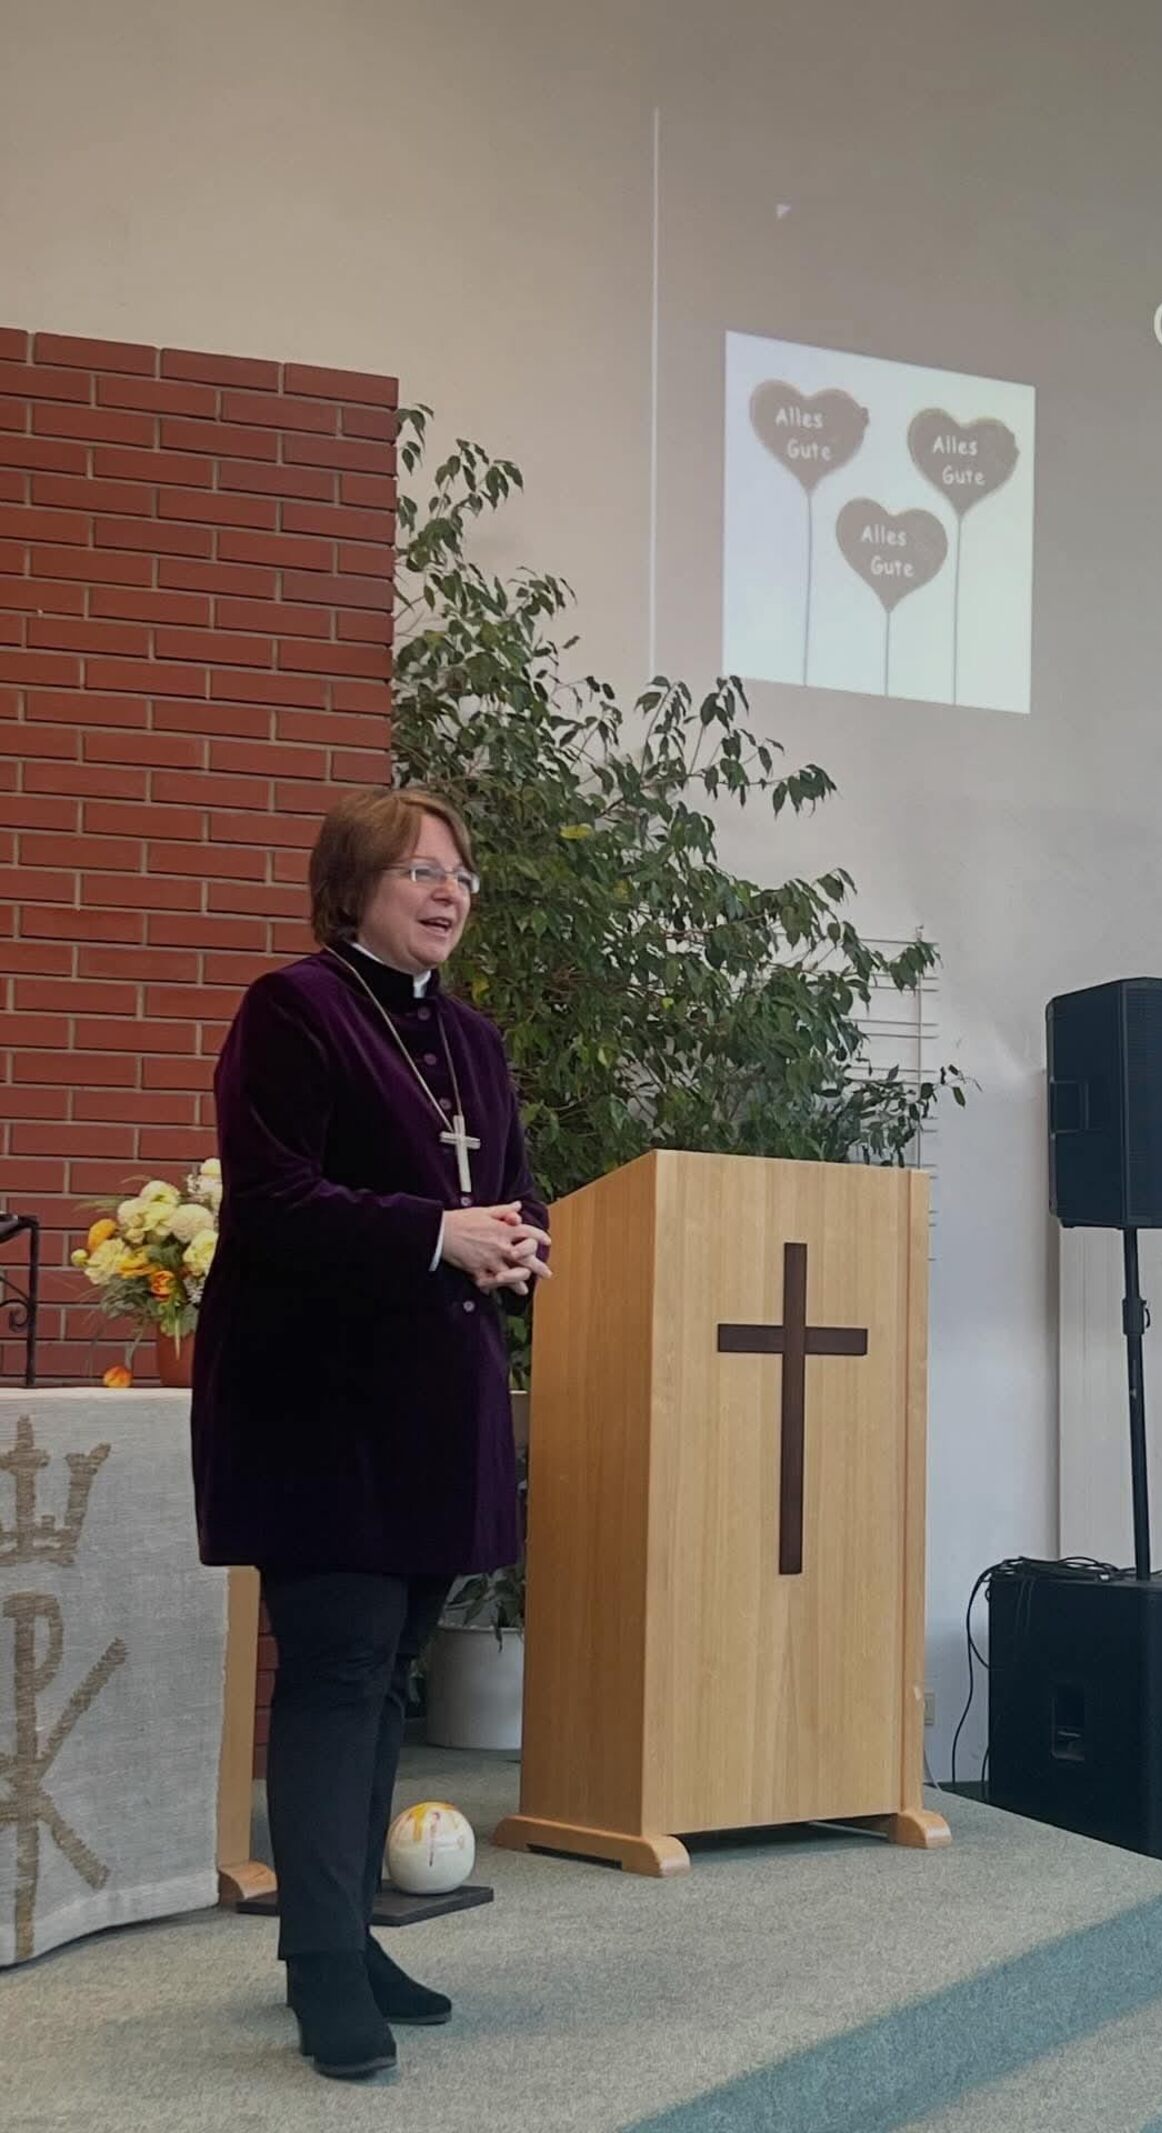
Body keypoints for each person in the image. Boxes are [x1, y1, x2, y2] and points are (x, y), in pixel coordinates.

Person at [191, 787, 551, 2081]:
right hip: (319, 1407)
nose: (449, 893)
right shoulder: (295, 1008)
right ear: (350, 889)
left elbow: (507, 1189)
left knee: (390, 1670)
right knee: (338, 1669)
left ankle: (349, 1928)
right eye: (420, 873)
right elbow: (272, 1201)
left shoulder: (474, 1039)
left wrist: (518, 1245)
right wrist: (432, 1234)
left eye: (460, 875)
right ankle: (321, 1964)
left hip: (434, 1408)